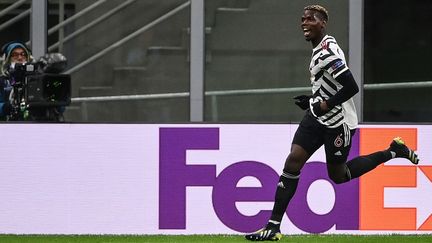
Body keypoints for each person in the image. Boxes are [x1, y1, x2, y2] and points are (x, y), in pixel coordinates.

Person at [245, 5, 419, 241]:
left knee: (338, 175)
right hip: (317, 117)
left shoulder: (328, 52)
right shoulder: (319, 47)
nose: (304, 23)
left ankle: (393, 151)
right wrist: (313, 101)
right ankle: (273, 227)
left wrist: (325, 104)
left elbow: (351, 86)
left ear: (323, 23)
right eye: (303, 19)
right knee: (293, 160)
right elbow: (328, 84)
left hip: (338, 122)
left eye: (310, 20)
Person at [0, 41, 65, 121]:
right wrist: (5, 108)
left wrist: (55, 103)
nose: (20, 58)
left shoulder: (40, 78)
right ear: (7, 59)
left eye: (23, 54)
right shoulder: (2, 81)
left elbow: (61, 106)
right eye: (15, 55)